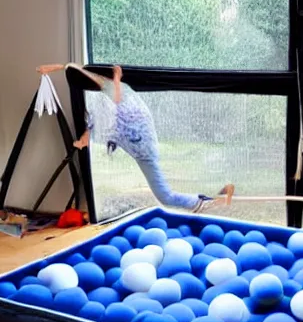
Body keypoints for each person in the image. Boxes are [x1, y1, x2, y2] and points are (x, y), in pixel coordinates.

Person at [37, 63, 234, 213]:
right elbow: (74, 68)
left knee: (165, 196)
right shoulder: (105, 106)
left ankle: (211, 201)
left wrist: (115, 79)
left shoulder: (119, 99)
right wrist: (53, 68)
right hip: (140, 145)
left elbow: (102, 87)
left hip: (143, 147)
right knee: (165, 195)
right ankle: (211, 200)